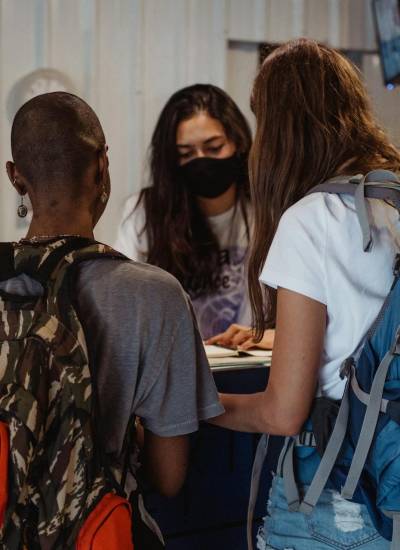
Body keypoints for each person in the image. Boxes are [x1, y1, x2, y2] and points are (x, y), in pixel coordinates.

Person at [3, 92, 224, 545]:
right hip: (99, 533)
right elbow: (169, 478)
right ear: (103, 165)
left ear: (15, 177)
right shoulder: (155, 296)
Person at [209, 39, 400, 549]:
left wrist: (198, 405)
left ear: (281, 129)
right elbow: (371, 336)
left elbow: (283, 412)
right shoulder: (394, 204)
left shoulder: (311, 220)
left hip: (336, 500)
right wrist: (278, 339)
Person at [115, 84, 252, 340]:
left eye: (214, 147)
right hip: (172, 368)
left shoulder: (264, 213)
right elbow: (124, 299)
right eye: (186, 154)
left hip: (246, 365)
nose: (202, 160)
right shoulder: (145, 212)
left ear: (238, 141)